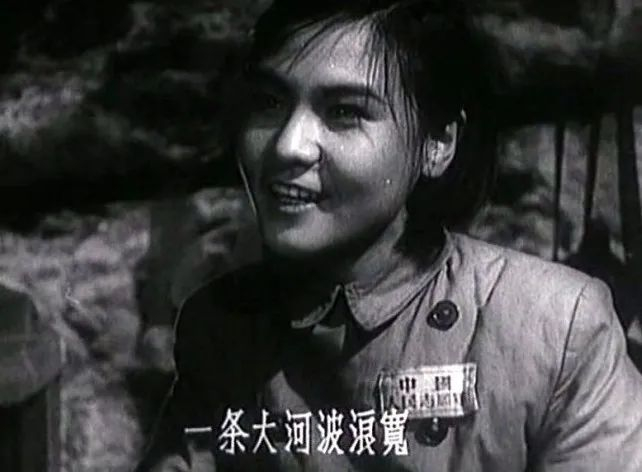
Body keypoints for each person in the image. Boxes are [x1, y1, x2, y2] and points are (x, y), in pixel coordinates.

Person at [135, 1, 642, 470]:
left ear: (437, 143)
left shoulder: (555, 328)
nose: (288, 146)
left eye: (344, 112)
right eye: (269, 102)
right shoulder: (221, 331)